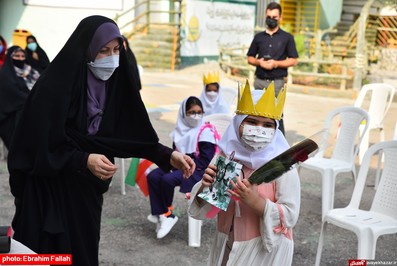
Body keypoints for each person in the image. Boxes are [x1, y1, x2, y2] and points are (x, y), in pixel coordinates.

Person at [7, 15, 195, 266]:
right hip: (47, 192)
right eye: (103, 50)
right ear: (86, 50)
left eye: (117, 50)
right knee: (45, 258)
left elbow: (128, 132)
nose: (112, 58)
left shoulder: (113, 86)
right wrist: (83, 159)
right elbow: (35, 144)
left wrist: (164, 154)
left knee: (82, 254)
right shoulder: (53, 87)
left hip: (85, 193)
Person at [188, 81, 301, 265]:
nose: (258, 129)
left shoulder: (282, 165)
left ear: (276, 128)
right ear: (238, 122)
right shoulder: (226, 155)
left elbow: (289, 216)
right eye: (252, 121)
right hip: (227, 243)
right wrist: (204, 188)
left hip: (263, 252)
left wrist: (256, 202)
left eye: (267, 125)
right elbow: (205, 208)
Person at [147, 96, 219, 239]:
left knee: (167, 179)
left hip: (199, 171)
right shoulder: (179, 131)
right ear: (183, 114)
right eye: (192, 112)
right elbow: (175, 154)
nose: (196, 116)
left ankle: (166, 214)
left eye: (199, 112)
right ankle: (162, 213)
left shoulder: (206, 132)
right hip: (181, 165)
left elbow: (205, 161)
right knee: (153, 176)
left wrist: (186, 165)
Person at [246, 2, 298, 134]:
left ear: (280, 17)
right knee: (257, 114)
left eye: (274, 17)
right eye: (269, 16)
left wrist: (276, 63)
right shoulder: (259, 37)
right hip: (260, 80)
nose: (271, 19)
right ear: (265, 15)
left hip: (276, 82)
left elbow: (293, 60)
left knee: (276, 115)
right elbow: (250, 58)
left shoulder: (287, 38)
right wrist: (259, 62)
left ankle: (280, 148)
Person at [0, 46, 40, 149]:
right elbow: (12, 94)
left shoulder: (32, 71)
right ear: (10, 57)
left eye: (23, 56)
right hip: (13, 114)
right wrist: (31, 99)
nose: (20, 58)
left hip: (33, 107)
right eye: (17, 56)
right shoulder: (5, 74)